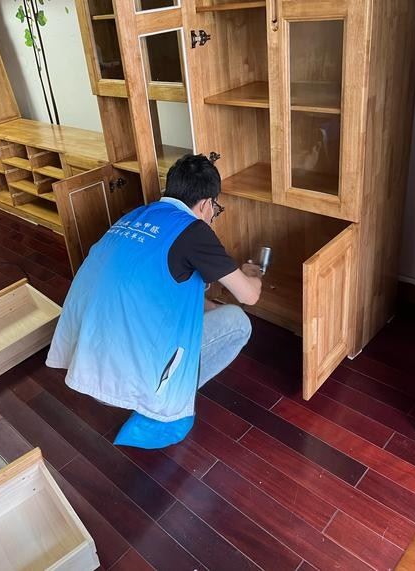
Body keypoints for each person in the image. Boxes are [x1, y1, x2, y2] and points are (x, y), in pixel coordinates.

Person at [46, 154, 262, 449]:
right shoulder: (194, 230)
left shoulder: (136, 215)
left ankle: (148, 393)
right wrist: (254, 274)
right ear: (206, 204)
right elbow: (249, 295)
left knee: (196, 305)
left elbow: (178, 295)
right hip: (129, 381)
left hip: (84, 363)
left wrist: (212, 308)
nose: (213, 216)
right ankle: (159, 406)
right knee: (238, 322)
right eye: (216, 209)